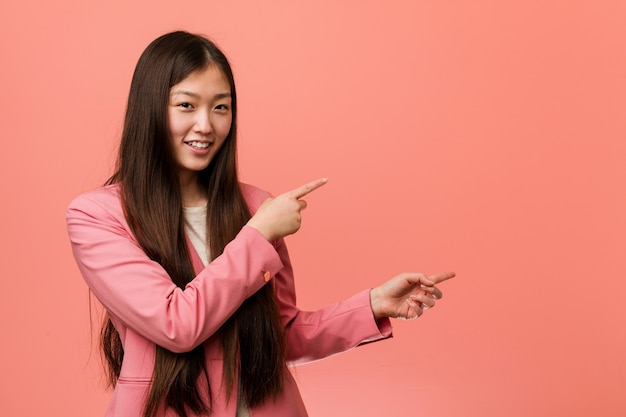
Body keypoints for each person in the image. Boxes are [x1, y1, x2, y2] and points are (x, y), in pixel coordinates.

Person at [66, 31, 455, 417]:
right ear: (149, 109)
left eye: (221, 107)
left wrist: (372, 305)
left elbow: (279, 337)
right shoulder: (98, 215)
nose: (206, 125)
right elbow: (176, 324)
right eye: (186, 105)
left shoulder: (255, 205)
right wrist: (258, 234)